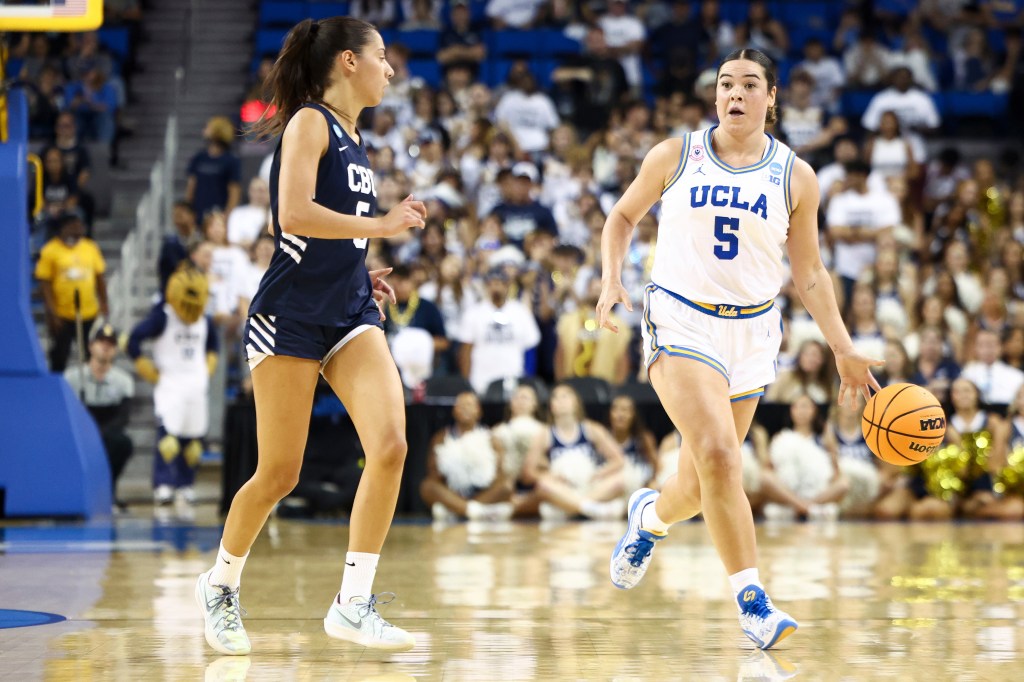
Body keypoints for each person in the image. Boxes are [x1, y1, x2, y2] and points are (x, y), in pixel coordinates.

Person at [596, 48, 880, 650]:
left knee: (699, 488)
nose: (736, 93)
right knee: (723, 459)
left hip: (753, 331)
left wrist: (843, 347)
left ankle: (647, 519)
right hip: (680, 319)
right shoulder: (676, 154)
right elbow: (621, 217)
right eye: (727, 83)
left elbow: (809, 273)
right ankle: (753, 601)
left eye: (751, 84)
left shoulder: (795, 174)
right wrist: (610, 278)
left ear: (772, 97)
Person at [195, 17, 427, 656]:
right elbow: (291, 215)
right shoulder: (308, 123)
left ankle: (353, 604)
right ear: (349, 61)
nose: (391, 68)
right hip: (291, 314)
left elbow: (332, 228)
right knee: (279, 472)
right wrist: (381, 224)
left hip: (349, 310)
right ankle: (220, 585)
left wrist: (359, 263)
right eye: (383, 57)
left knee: (390, 447)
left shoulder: (357, 139)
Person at [128, 266, 218, 511]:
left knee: (194, 443)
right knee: (168, 439)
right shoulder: (163, 316)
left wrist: (208, 366)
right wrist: (143, 365)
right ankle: (164, 486)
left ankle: (186, 485)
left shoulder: (205, 320)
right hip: (170, 384)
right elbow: (133, 338)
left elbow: (213, 346)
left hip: (196, 386)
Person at [64, 325, 134, 511]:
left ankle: (107, 493)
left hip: (108, 432)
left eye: (111, 343)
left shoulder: (123, 381)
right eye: (101, 342)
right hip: (80, 432)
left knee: (122, 443)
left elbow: (123, 417)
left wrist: (101, 433)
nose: (105, 346)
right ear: (90, 346)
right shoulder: (72, 377)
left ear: (116, 349)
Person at [420, 391, 515, 522]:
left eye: (470, 405)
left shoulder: (491, 438)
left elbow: (501, 474)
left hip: (483, 493)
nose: (465, 409)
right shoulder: (441, 437)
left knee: (507, 486)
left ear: (479, 411)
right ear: (454, 411)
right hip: (453, 492)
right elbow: (433, 473)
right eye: (461, 405)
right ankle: (474, 511)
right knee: (427, 487)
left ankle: (459, 509)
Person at [35, 212, 109, 372]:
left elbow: (99, 277)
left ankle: (90, 388)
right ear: (63, 228)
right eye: (74, 226)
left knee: (90, 354)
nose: (78, 230)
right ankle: (57, 387)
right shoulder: (50, 250)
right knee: (59, 355)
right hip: (62, 314)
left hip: (89, 312)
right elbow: (45, 284)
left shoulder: (90, 247)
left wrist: (104, 302)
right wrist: (52, 313)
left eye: (80, 226)